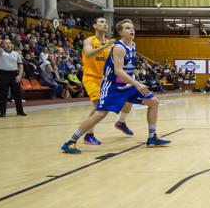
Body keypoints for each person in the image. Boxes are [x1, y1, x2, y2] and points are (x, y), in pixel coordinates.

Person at [61, 19, 170, 154]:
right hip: (112, 86)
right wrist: (136, 83)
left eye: (132, 28)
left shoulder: (133, 45)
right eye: (128, 28)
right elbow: (118, 70)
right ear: (120, 32)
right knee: (100, 113)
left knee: (153, 102)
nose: (132, 30)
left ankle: (152, 136)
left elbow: (127, 67)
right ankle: (71, 141)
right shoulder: (118, 47)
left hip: (126, 85)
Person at [74, 17, 133, 145]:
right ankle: (88, 135)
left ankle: (121, 122)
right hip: (91, 78)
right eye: (101, 22)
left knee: (129, 100)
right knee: (98, 106)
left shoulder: (111, 44)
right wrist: (105, 46)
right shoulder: (90, 40)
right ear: (94, 26)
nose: (105, 24)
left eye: (106, 22)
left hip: (107, 80)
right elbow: (89, 54)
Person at [0, 24, 26, 117]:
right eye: (6, 43)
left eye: (9, 43)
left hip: (14, 74)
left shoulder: (16, 53)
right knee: (3, 94)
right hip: (3, 74)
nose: (8, 44)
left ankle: (20, 111)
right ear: (3, 44)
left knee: (17, 95)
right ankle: (2, 112)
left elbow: (21, 65)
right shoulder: (0, 52)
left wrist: (19, 75)